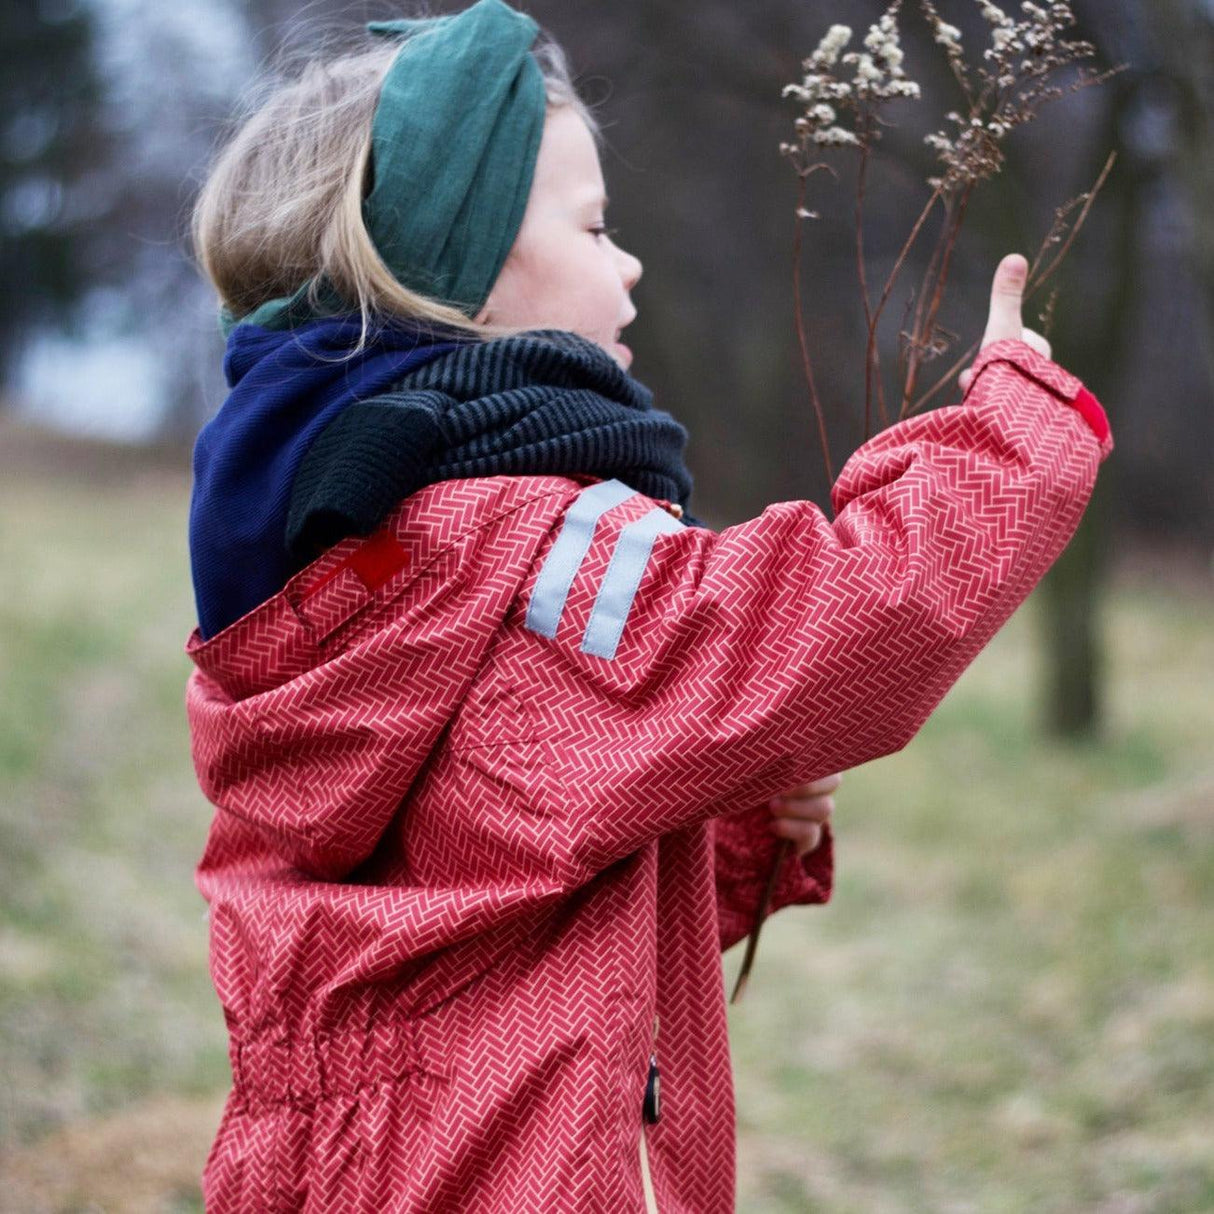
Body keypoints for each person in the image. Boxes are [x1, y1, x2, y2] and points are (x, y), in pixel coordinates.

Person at [182, 1, 1114, 1210]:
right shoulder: (523, 557)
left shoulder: (339, 574)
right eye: (593, 223)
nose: (627, 263)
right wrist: (1015, 432)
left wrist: (728, 834)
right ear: (456, 271)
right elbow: (829, 625)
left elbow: (482, 885)